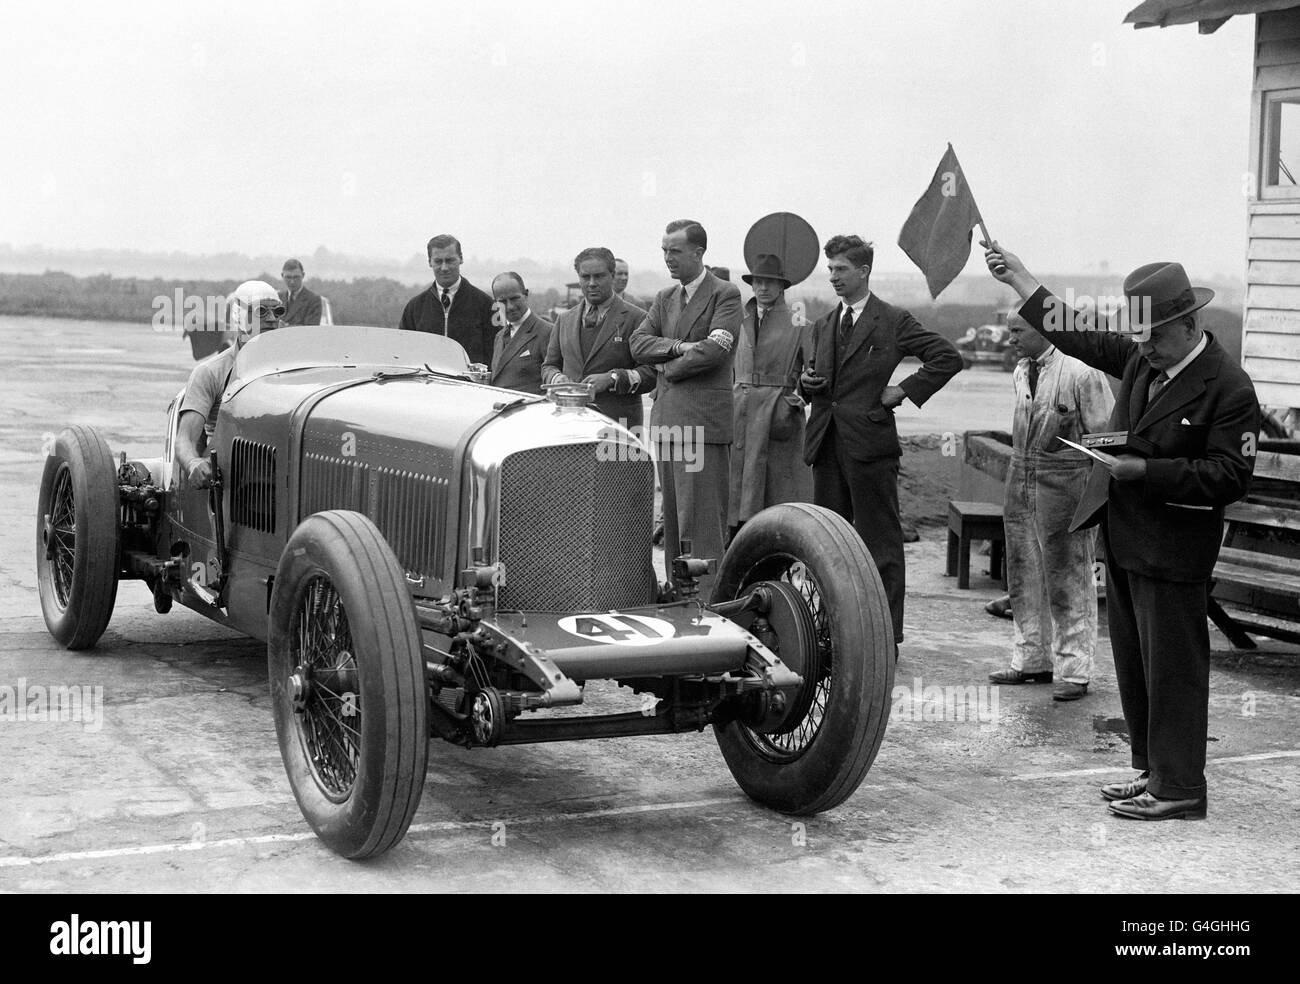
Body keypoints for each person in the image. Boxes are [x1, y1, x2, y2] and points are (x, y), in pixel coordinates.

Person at [984, 241, 1260, 821]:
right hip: (1127, 539)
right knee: (1137, 669)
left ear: (1189, 325)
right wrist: (1021, 280)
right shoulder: (1143, 358)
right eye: (1138, 335)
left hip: (1175, 550)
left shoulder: (1228, 387)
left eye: (1155, 335)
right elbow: (1076, 332)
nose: (1143, 346)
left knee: (1175, 673)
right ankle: (1152, 771)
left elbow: (1230, 476)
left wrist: (1146, 472)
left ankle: (1182, 787)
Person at [800, 235, 962, 645]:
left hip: (870, 448)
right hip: (826, 447)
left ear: (864, 271)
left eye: (841, 269)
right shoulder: (821, 325)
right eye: (830, 269)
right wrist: (805, 383)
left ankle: (885, 637)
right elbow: (810, 386)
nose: (833, 277)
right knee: (827, 544)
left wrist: (902, 390)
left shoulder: (892, 320)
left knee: (881, 545)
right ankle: (828, 632)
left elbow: (947, 357)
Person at [988, 313, 1114, 701]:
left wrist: (1097, 497)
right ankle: (1031, 659)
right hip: (1021, 475)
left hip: (1066, 482)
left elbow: (1106, 440)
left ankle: (1076, 670)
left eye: (1017, 331)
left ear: (1043, 330)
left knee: (1068, 576)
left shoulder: (1082, 372)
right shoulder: (1020, 372)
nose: (1010, 338)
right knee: (1023, 572)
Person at [630, 219, 740, 597]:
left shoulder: (725, 295)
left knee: (703, 523)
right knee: (675, 523)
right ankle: (678, 602)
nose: (668, 258)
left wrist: (668, 368)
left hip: (704, 426)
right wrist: (678, 348)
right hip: (667, 424)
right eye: (664, 251)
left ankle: (709, 607)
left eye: (674, 251)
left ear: (698, 252)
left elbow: (715, 349)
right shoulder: (665, 298)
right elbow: (638, 343)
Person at [729, 253, 813, 537]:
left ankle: (775, 539)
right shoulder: (736, 318)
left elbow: (814, 370)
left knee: (776, 483)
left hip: (777, 409)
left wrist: (796, 398)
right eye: (758, 282)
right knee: (736, 481)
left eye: (770, 282)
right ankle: (736, 540)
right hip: (738, 407)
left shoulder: (798, 321)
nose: (763, 288)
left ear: (782, 287)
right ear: (752, 285)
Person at [175, 280, 283, 489]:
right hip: (229, 484)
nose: (272, 319)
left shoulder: (294, 371)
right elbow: (184, 439)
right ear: (240, 317)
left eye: (278, 311)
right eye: (261, 311)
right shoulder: (211, 373)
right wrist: (193, 463)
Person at [543, 247, 654, 427]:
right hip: (570, 425)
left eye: (599, 276)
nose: (592, 283)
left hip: (618, 427)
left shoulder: (638, 318)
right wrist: (557, 379)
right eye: (585, 277)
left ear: (612, 275)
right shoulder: (564, 320)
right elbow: (549, 365)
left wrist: (613, 379)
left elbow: (651, 373)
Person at [398, 234, 497, 365]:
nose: (444, 268)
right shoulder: (414, 307)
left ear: (461, 259)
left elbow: (499, 354)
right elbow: (403, 353)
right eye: (438, 261)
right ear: (429, 262)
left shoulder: (489, 304)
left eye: (450, 260)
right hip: (426, 384)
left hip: (470, 384)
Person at [489, 272, 553, 395]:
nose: (510, 307)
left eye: (514, 298)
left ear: (526, 295)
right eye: (503, 301)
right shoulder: (499, 337)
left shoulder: (548, 332)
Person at [277, 259, 323, 327]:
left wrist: (284, 327)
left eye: (296, 277)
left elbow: (311, 329)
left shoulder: (314, 300)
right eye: (288, 277)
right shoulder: (277, 298)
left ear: (303, 275)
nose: (292, 281)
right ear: (282, 276)